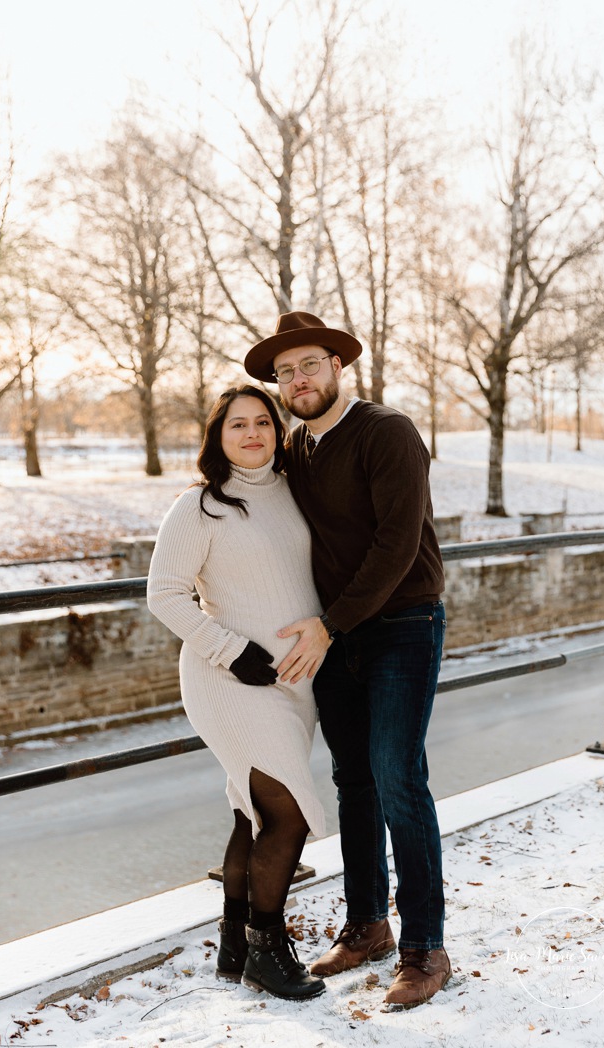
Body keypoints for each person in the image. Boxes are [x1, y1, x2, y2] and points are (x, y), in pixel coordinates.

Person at [244, 311, 450, 1010]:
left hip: (401, 623)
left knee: (397, 776)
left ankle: (425, 945)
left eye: (307, 365)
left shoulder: (385, 432)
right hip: (332, 635)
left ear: (337, 364)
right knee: (352, 780)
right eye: (284, 373)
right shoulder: (297, 449)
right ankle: (367, 926)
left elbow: (396, 546)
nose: (296, 381)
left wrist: (328, 625)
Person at [146, 384, 326, 1001]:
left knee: (251, 812)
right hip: (228, 678)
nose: (251, 434)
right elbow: (164, 593)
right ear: (217, 438)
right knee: (288, 812)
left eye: (261, 423)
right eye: (236, 426)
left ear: (277, 431)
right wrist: (232, 651)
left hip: (294, 681)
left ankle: (232, 939)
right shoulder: (200, 505)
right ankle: (267, 952)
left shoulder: (296, 493)